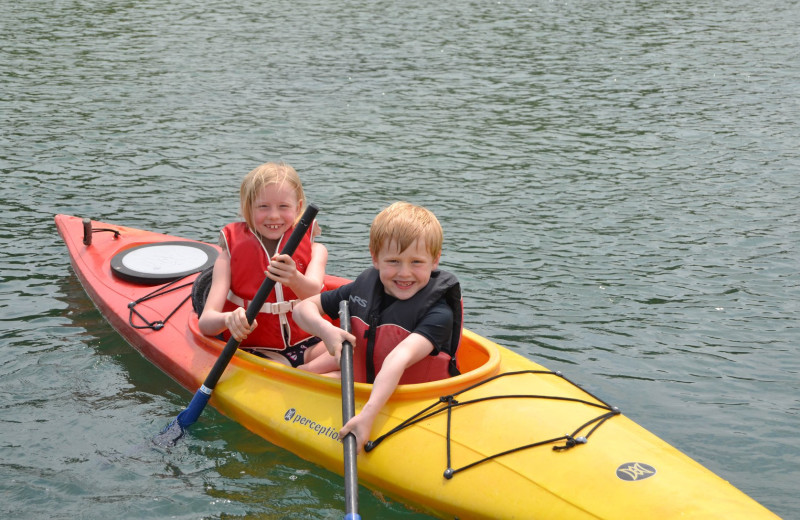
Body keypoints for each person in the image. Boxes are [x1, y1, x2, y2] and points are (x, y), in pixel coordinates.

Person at [293, 201, 462, 452]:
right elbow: (302, 309)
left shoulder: (439, 313)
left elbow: (398, 358)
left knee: (314, 373)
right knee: (303, 377)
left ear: (435, 261)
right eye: (393, 261)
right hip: (364, 383)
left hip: (417, 401)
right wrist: (326, 330)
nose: (404, 273)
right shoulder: (363, 289)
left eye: (417, 262)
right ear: (375, 258)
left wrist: (367, 416)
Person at [198, 162, 330, 368]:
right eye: (263, 206)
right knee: (280, 369)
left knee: (353, 347)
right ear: (247, 208)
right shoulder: (228, 257)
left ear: (298, 207)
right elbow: (206, 323)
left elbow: (315, 295)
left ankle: (306, 373)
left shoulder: (317, 250)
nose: (274, 215)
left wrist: (294, 278)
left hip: (311, 344)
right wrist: (229, 319)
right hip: (260, 353)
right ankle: (302, 376)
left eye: (283, 206)